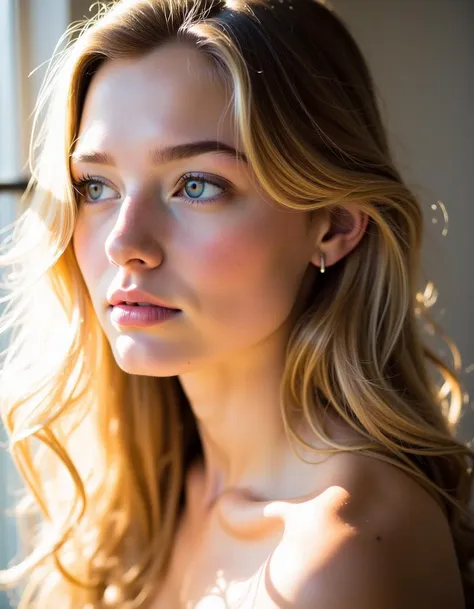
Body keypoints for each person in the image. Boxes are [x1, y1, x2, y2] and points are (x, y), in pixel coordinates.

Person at [0, 0, 473, 607]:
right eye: (97, 186)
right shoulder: (150, 497)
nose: (124, 242)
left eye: (196, 185)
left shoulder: (338, 559)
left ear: (333, 225)